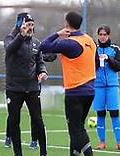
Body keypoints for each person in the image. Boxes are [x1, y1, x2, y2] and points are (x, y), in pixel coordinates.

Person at [39, 11, 96, 156]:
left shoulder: (70, 43)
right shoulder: (89, 40)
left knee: (76, 130)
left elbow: (43, 46)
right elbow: (95, 62)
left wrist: (58, 34)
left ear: (67, 23)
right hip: (90, 90)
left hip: (75, 91)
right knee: (77, 127)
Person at [4, 12, 48, 156]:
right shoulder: (10, 39)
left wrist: (42, 71)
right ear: (20, 25)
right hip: (14, 88)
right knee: (14, 121)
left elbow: (39, 62)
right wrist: (21, 36)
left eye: (32, 25)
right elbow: (9, 50)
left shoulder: (36, 42)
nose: (30, 28)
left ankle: (43, 152)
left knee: (37, 119)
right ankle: (18, 153)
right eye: (27, 24)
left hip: (32, 88)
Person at [93, 25, 120, 150]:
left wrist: (108, 59)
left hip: (112, 85)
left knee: (114, 113)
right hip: (98, 86)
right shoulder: (93, 49)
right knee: (100, 114)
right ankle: (102, 142)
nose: (102, 37)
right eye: (100, 34)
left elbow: (119, 66)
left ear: (109, 35)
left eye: (104, 34)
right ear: (98, 35)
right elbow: (91, 67)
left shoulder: (115, 49)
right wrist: (97, 60)